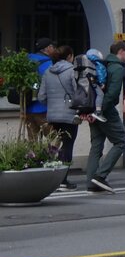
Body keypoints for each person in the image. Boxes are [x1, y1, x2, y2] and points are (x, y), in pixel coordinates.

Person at [84, 41, 125, 193]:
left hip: (93, 109)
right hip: (105, 111)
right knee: (121, 141)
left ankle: (91, 182)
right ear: (121, 51)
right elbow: (112, 94)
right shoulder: (117, 68)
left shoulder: (103, 65)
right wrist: (100, 110)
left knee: (96, 144)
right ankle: (100, 176)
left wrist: (93, 112)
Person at [36, 44, 79, 190]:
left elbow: (41, 96)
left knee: (56, 144)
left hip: (53, 116)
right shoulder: (72, 71)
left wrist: (53, 104)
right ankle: (62, 180)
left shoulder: (48, 71)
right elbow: (77, 93)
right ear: (68, 57)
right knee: (68, 145)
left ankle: (50, 174)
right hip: (69, 114)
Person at [23, 36, 56, 133]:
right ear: (48, 48)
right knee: (55, 138)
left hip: (27, 107)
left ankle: (36, 149)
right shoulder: (49, 64)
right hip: (43, 109)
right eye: (53, 47)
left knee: (32, 142)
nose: (54, 49)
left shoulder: (27, 60)